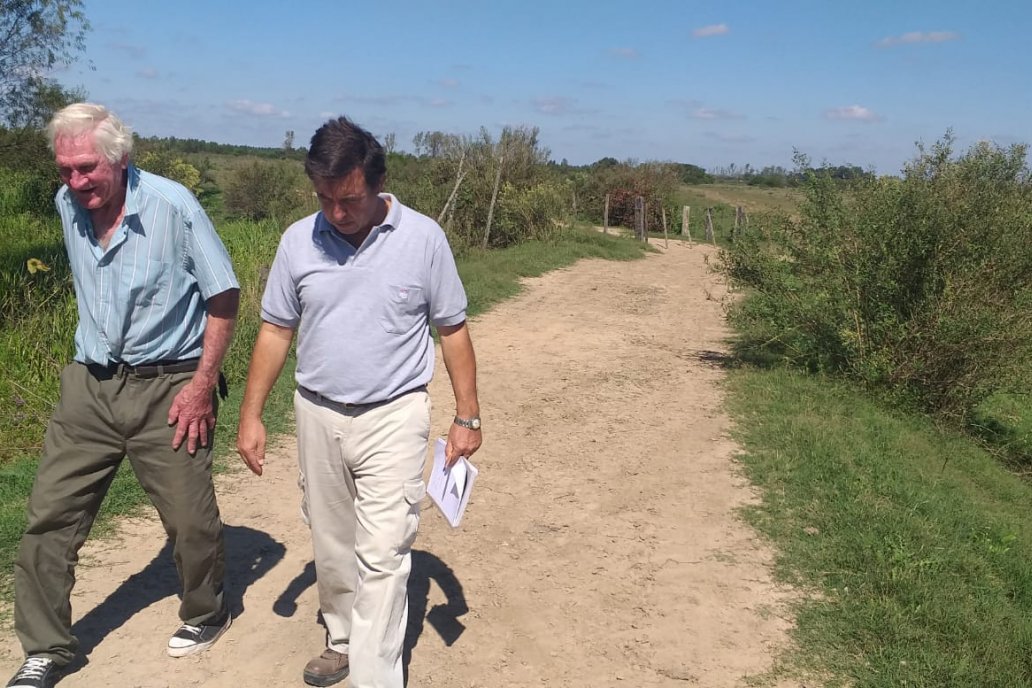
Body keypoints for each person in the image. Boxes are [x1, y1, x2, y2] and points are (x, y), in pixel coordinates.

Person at [236, 115, 482, 688]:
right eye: (325, 199)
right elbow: (275, 330)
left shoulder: (423, 239)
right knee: (330, 541)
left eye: (348, 199)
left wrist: (467, 415)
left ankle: (376, 675)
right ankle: (341, 640)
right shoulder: (299, 239)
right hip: (317, 412)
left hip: (394, 415)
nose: (337, 213)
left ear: (376, 183)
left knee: (385, 552)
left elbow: (453, 329)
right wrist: (250, 414)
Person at [6, 103, 239, 688]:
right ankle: (47, 647)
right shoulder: (68, 205)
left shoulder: (172, 206)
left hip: (170, 385)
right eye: (65, 169)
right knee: (49, 518)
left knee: (189, 520)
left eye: (87, 168)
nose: (76, 182)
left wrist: (201, 386)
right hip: (90, 384)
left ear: (121, 159)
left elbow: (224, 297)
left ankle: (208, 610)